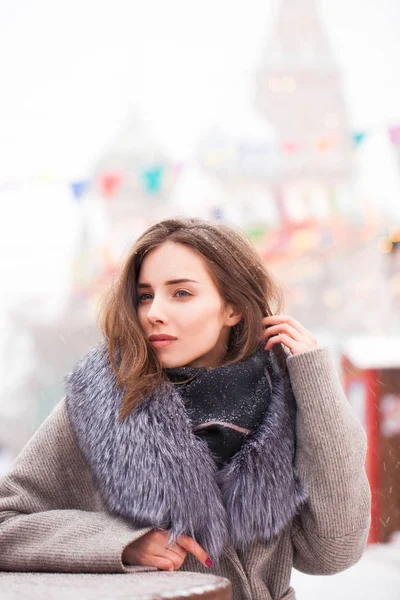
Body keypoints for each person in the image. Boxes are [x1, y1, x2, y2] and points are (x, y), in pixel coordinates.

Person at [0, 217, 371, 600]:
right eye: (145, 295)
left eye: (180, 293)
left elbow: (333, 552)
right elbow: (5, 522)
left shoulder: (285, 403)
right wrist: (123, 543)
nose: (154, 312)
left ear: (233, 308)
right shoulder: (104, 401)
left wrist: (316, 379)